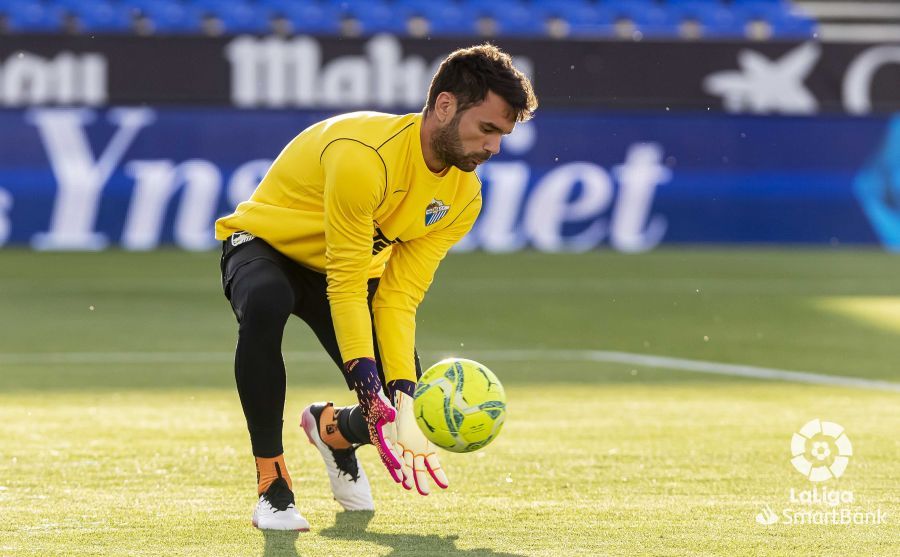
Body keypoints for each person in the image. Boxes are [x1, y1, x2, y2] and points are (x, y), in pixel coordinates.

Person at [215, 43, 537, 531]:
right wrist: (367, 387)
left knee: (409, 407)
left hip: (351, 274)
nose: (493, 147)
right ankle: (272, 485)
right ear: (446, 105)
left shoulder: (464, 196)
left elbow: (398, 295)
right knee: (266, 300)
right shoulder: (364, 157)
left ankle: (332, 431)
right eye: (487, 129)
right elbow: (343, 282)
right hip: (268, 246)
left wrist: (399, 393)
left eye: (502, 135)